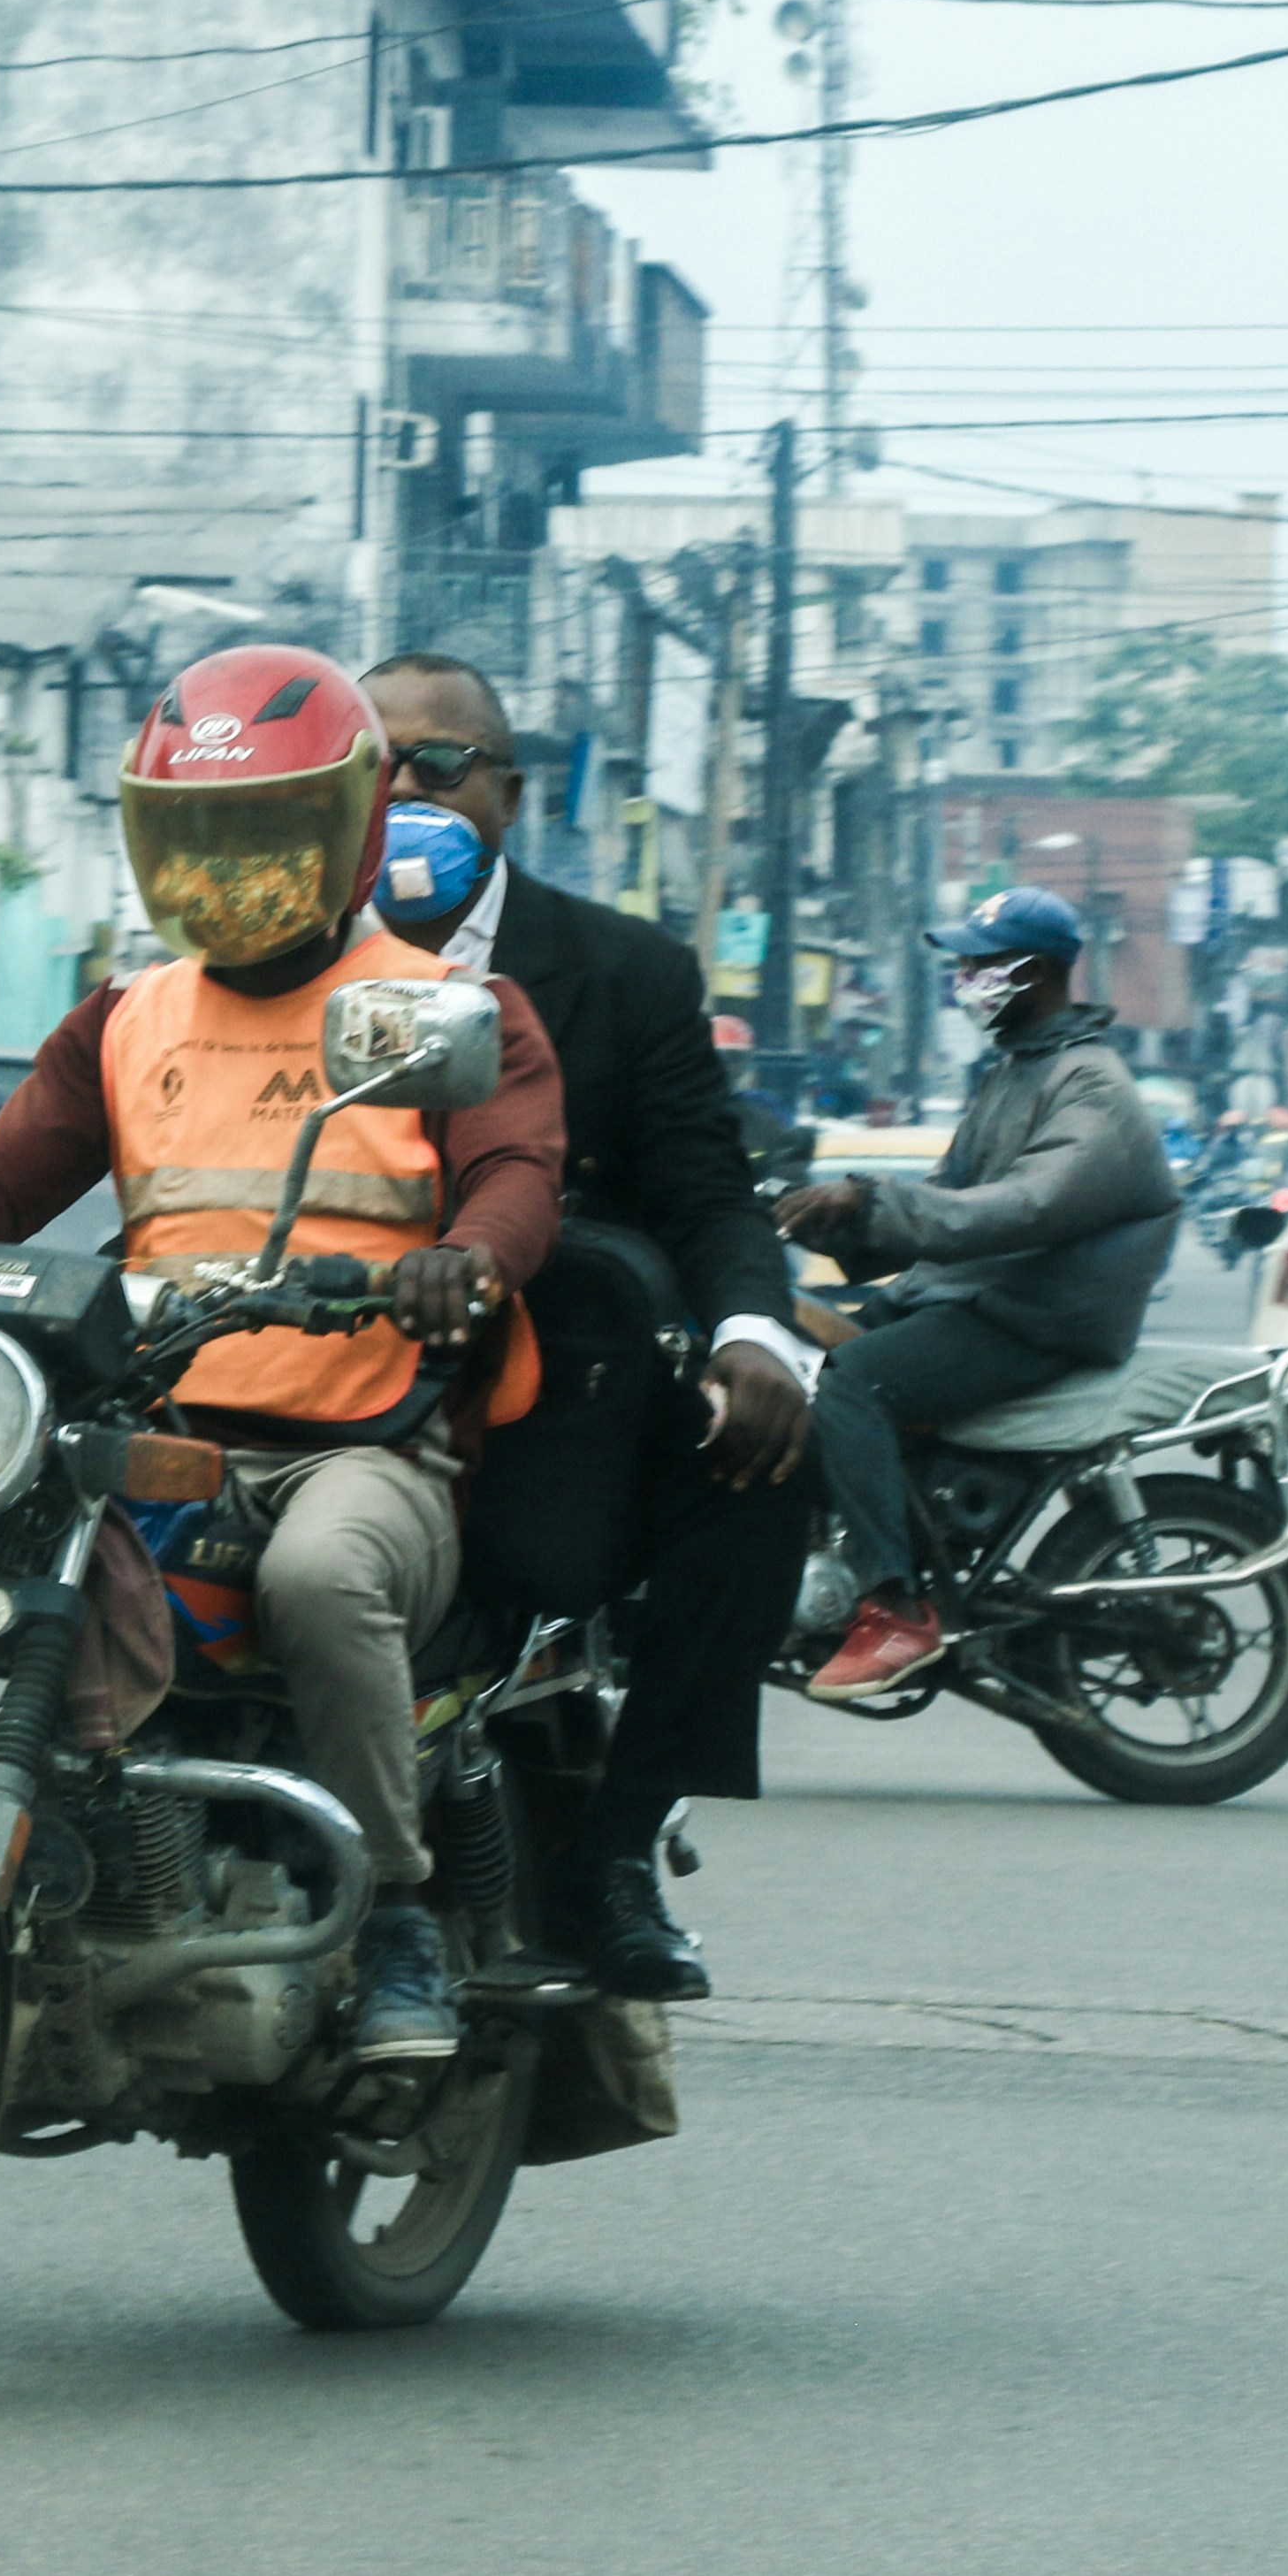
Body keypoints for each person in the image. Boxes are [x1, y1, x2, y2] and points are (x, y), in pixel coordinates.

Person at [0, 645, 565, 2066]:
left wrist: (467, 1260)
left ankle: (391, 1908)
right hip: (142, 1425)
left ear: (353, 828)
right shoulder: (130, 1017)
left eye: (262, 840)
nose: (227, 877)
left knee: (324, 1581)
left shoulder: (439, 1007)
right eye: (194, 842)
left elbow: (517, 1175)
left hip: (363, 1444)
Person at [361, 653, 812, 2004]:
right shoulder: (255, 950)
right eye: (371, 763)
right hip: (297, 1350)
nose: (403, 790)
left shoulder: (626, 972)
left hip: (559, 1378)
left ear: (508, 789)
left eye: (437, 764)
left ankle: (617, 1846)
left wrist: (752, 1335)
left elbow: (704, 1190)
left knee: (769, 1455)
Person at [770, 887, 1181, 1701]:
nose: (963, 978)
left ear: (1038, 973)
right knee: (786, 1339)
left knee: (853, 1382)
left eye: (980, 964)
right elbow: (937, 1200)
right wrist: (811, 1213)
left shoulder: (1090, 1087)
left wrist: (867, 1199)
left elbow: (1018, 1208)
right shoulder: (1016, 1073)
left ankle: (895, 1606)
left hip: (1033, 1315)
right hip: (969, 1296)